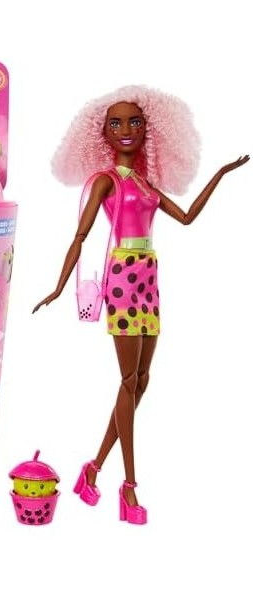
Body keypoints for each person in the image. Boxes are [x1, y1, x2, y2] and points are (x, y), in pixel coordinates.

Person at [33, 85, 249, 525]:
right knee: (128, 380)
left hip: (149, 275)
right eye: (115, 123)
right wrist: (58, 287)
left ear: (149, 129)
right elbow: (80, 236)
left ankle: (92, 469)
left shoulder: (147, 184)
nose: (126, 129)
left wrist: (221, 174)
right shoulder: (106, 181)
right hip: (123, 277)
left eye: (134, 122)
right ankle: (128, 486)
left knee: (141, 381)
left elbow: (185, 218)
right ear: (102, 134)